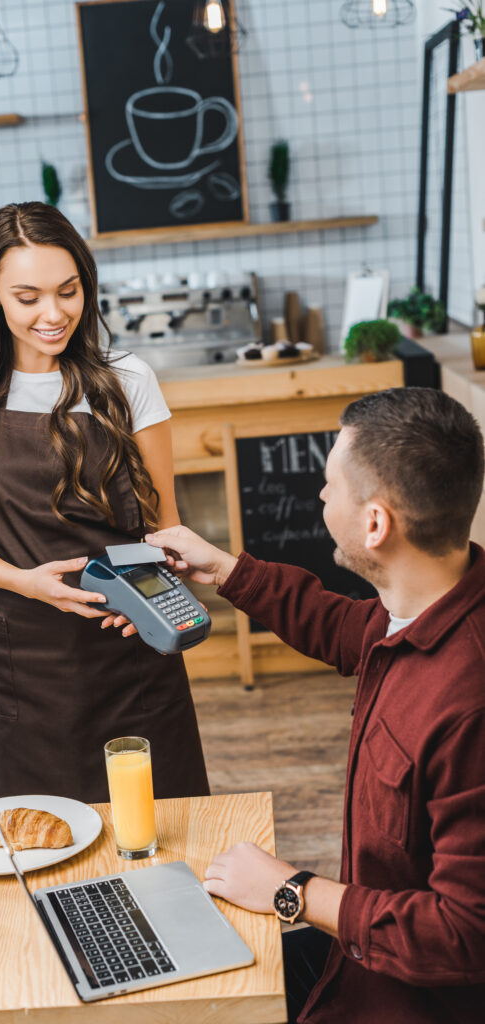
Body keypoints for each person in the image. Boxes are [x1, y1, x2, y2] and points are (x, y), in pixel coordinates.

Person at [146, 387, 485, 1023]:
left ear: (376, 523)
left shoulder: (469, 701)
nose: (321, 497)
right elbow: (342, 628)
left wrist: (290, 890)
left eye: (330, 486)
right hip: (355, 965)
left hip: (405, 1002)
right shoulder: (429, 606)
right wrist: (224, 568)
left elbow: (465, 934)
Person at [0, 201, 208, 802]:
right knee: (44, 841)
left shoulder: (129, 380)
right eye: (28, 298)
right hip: (24, 659)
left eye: (69, 291)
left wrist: (173, 575)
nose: (53, 314)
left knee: (160, 833)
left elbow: (164, 525)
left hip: (131, 642)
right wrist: (31, 583)